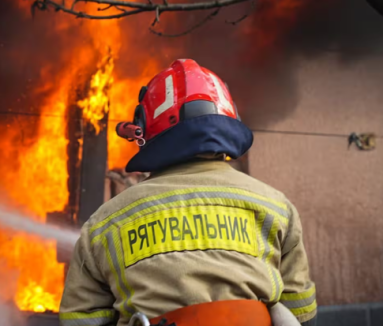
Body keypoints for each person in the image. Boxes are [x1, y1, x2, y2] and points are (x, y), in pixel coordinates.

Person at [58, 59, 316, 326]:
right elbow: (301, 312)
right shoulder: (276, 207)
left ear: (144, 128)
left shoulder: (104, 224)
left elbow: (79, 321)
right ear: (230, 119)